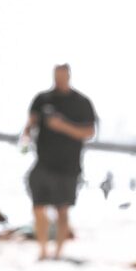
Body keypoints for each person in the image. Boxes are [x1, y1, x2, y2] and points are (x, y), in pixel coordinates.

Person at [20, 63, 96, 260]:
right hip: (43, 162)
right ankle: (43, 249)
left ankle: (58, 252)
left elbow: (89, 132)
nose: (59, 79)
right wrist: (26, 135)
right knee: (38, 207)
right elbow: (31, 122)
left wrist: (63, 126)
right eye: (56, 75)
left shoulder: (81, 102)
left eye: (62, 76)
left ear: (68, 76)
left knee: (62, 210)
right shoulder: (42, 99)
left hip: (68, 166)